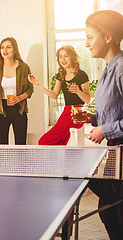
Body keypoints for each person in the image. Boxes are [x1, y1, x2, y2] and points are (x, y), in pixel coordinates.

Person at [84, 10, 123, 239]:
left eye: (90, 37)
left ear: (108, 37)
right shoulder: (108, 69)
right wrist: (95, 119)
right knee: (109, 212)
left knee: (115, 214)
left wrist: (105, 129)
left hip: (120, 149)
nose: (86, 43)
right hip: (114, 152)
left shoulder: (121, 67)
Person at [28, 45, 91, 145]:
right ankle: (59, 159)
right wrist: (37, 84)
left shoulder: (81, 75)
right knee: (60, 143)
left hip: (78, 113)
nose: (63, 59)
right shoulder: (61, 75)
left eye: (66, 56)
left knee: (42, 142)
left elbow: (88, 100)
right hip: (67, 112)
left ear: (72, 57)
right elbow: (54, 95)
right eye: (60, 56)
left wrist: (78, 91)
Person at [0, 37, 34, 145]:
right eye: (2, 47)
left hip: (19, 109)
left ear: (15, 50)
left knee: (21, 146)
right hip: (1, 110)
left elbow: (30, 89)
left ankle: (20, 163)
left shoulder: (24, 67)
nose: (5, 50)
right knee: (2, 147)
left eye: (8, 47)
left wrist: (19, 98)